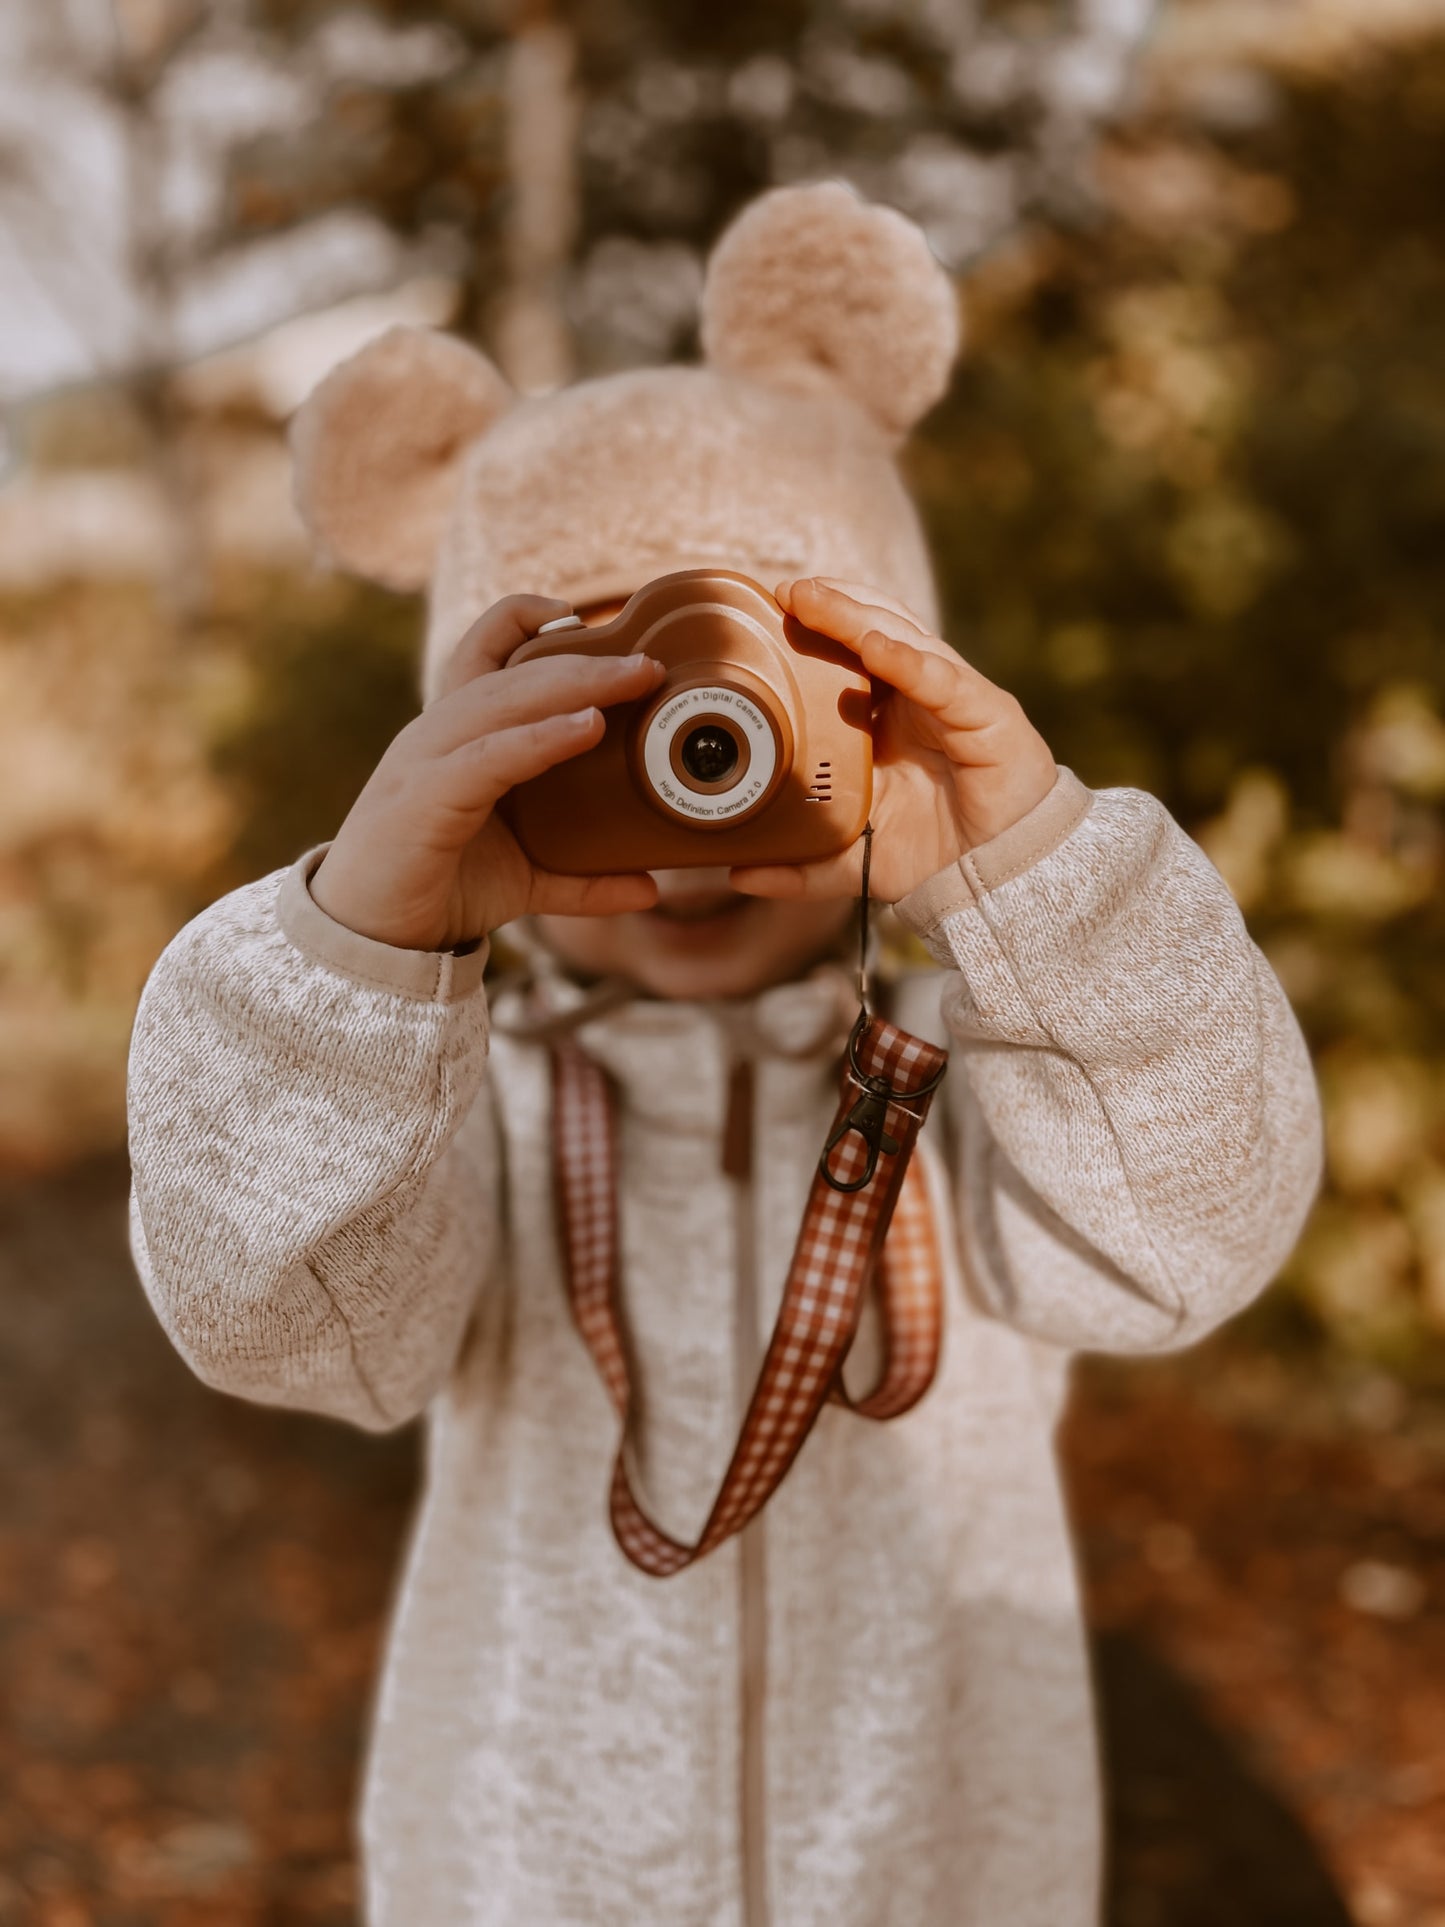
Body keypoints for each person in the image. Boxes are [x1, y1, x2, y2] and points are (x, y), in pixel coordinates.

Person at [126, 181, 1324, 1926]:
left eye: (749, 728)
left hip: (937, 1879)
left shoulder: (1003, 1063)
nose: (692, 839)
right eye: (606, 740)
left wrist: (1037, 880)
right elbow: (282, 1326)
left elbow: (1183, 1244)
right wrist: (364, 953)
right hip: (531, 1881)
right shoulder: (444, 1105)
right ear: (476, 744)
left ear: (887, 696)